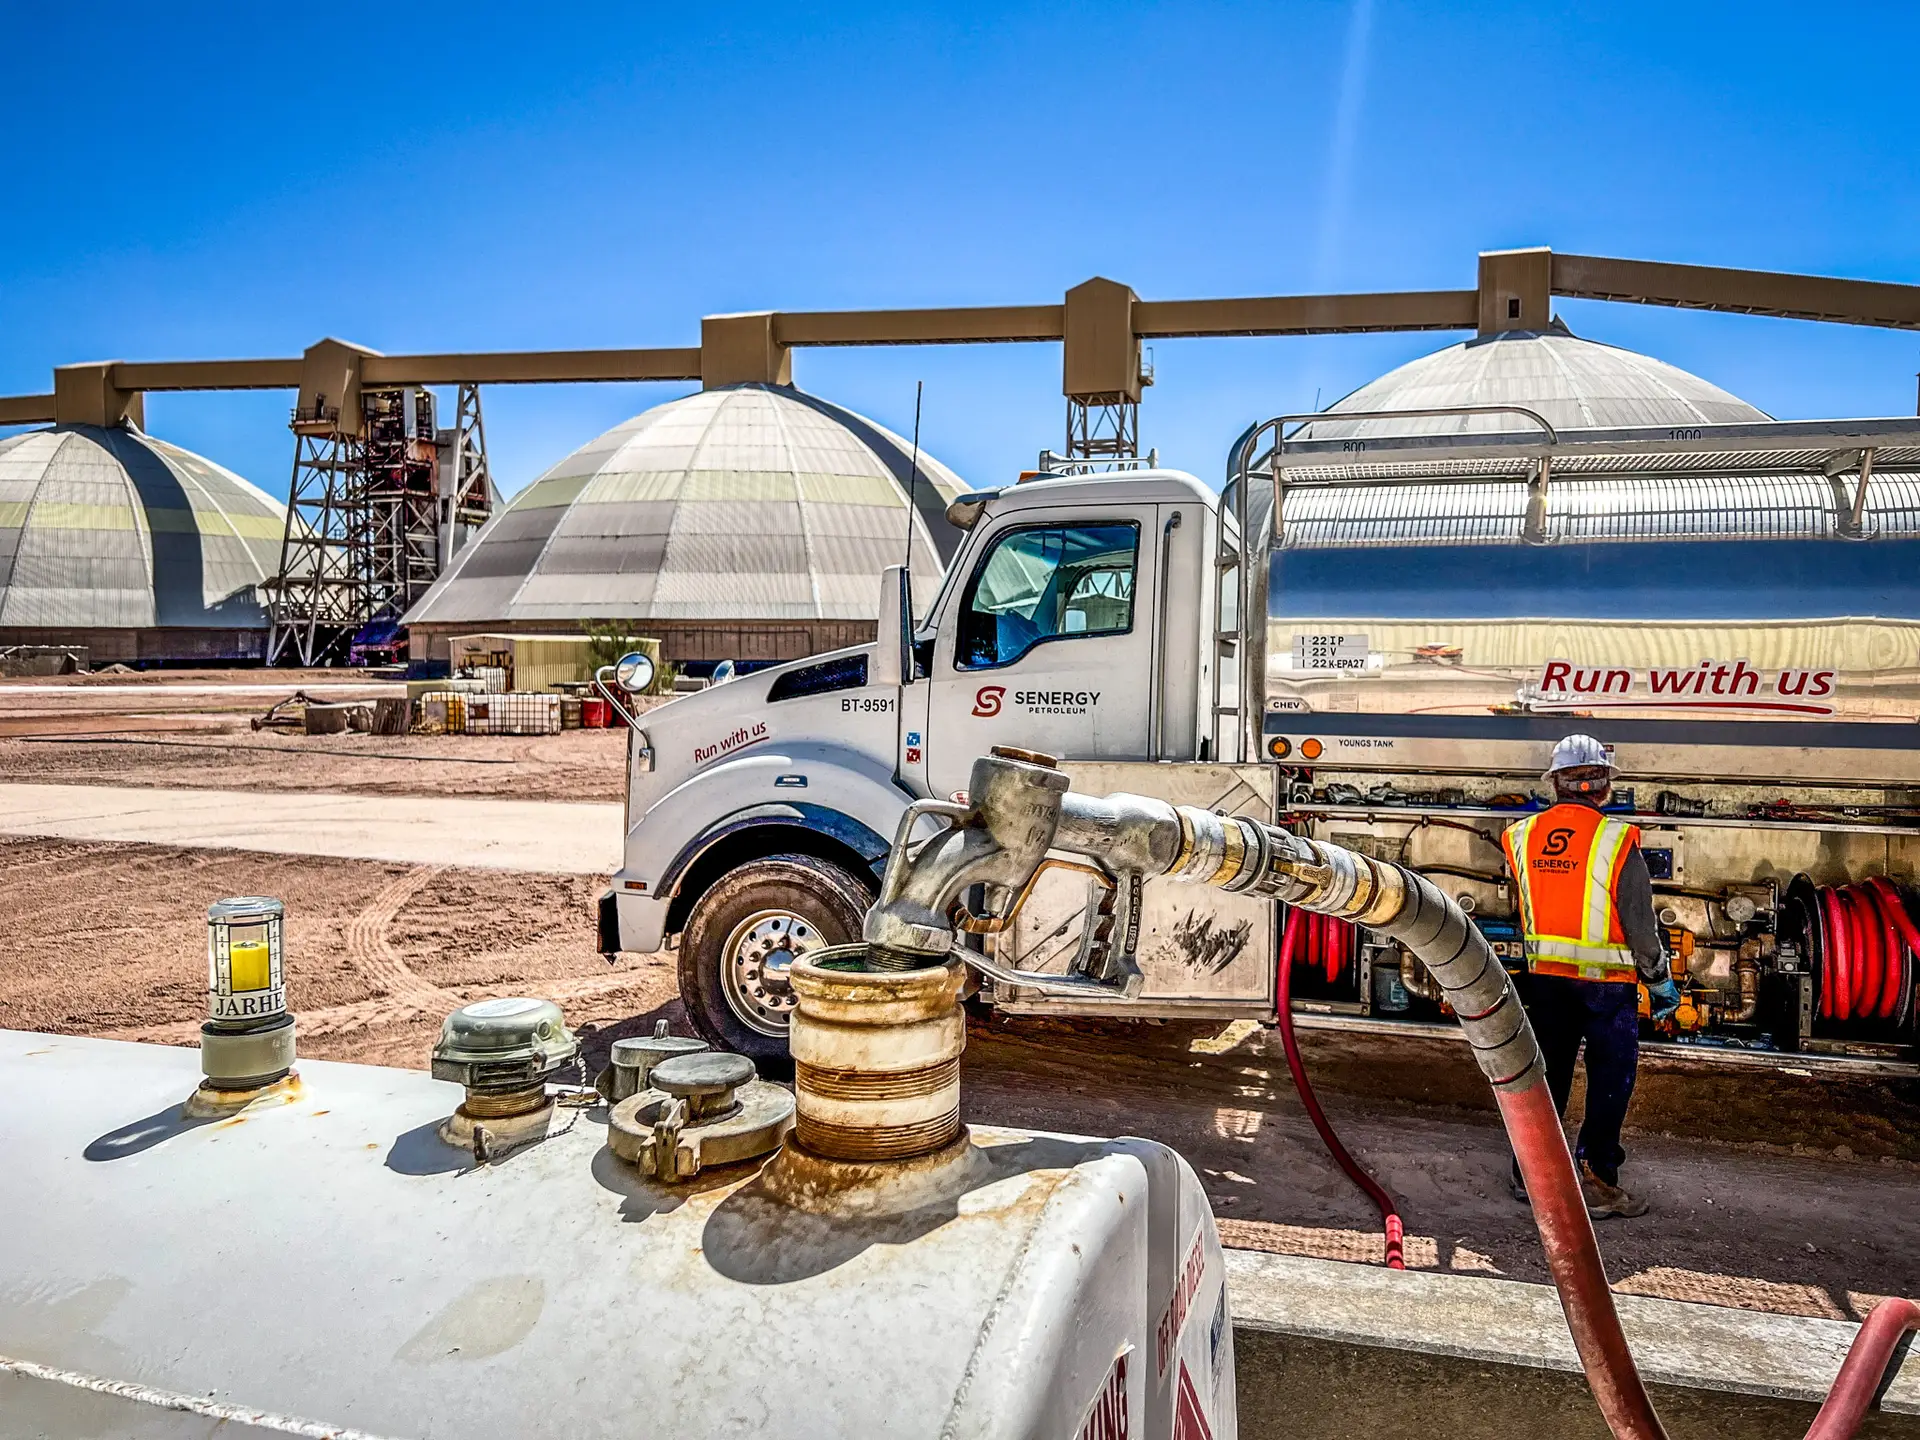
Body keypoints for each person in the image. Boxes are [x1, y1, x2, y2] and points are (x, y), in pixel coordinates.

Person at [1501, 734, 1682, 1219]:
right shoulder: (1617, 840)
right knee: (1610, 1079)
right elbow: (1640, 924)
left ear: (1556, 784)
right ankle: (1596, 1178)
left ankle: (1529, 1174)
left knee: (1545, 1076)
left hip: (1545, 981)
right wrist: (1659, 979)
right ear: (1603, 788)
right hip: (1607, 986)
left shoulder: (1520, 836)